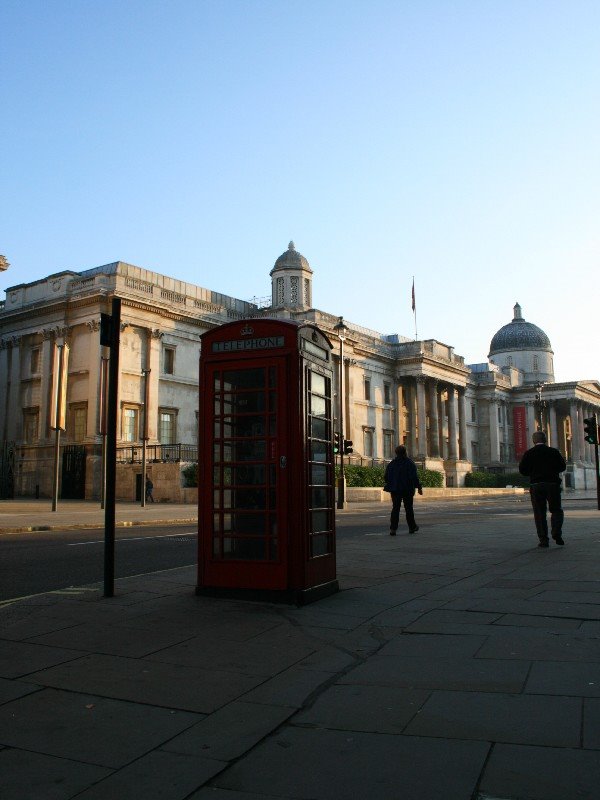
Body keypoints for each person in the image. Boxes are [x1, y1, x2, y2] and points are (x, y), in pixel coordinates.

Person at [518, 430, 566, 547]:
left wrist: (533, 472)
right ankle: (556, 533)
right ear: (545, 440)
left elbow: (522, 470)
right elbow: (562, 467)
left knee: (539, 513)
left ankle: (543, 539)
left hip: (536, 485)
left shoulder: (529, 453)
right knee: (556, 510)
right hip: (552, 484)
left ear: (534, 441)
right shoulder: (553, 452)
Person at [384, 445, 423, 535]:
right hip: (407, 489)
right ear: (405, 452)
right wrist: (419, 487)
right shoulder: (409, 463)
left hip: (395, 489)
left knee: (395, 509)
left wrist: (392, 483)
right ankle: (412, 527)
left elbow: (386, 477)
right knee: (408, 508)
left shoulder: (391, 464)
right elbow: (414, 477)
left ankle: (393, 529)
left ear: (396, 453)